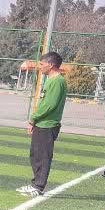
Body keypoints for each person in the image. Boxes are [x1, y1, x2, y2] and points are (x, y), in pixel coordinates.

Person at [20, 52, 67, 197]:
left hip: (47, 125)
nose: (40, 67)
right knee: (35, 154)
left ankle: (38, 186)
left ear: (50, 65)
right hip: (42, 124)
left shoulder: (57, 81)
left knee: (43, 156)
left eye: (42, 64)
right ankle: (35, 183)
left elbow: (49, 105)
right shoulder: (51, 80)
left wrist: (33, 118)